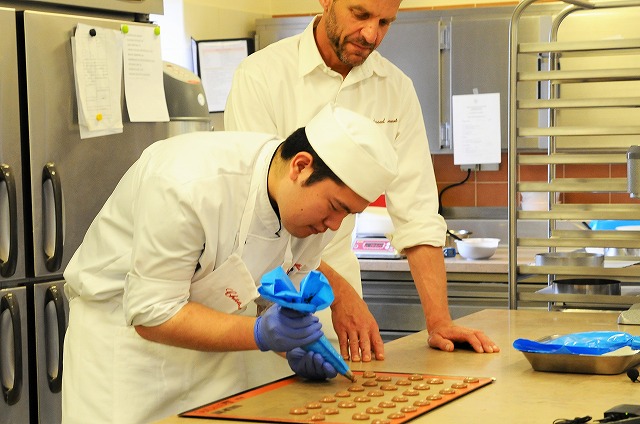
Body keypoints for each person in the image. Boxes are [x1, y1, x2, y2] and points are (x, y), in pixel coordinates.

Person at [61, 103, 398, 424]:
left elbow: (276, 306)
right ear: (300, 166)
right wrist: (261, 333)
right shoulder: (187, 184)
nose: (334, 225)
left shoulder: (313, 220)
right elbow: (151, 314)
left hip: (210, 351)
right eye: (335, 207)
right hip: (126, 355)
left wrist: (295, 345)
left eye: (348, 214)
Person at [225, 0, 500, 364]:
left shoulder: (395, 89)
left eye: (385, 22)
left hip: (342, 291)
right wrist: (338, 293)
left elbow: (417, 213)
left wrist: (439, 322)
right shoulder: (261, 76)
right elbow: (259, 211)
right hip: (264, 283)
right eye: (360, 14)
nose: (372, 34)